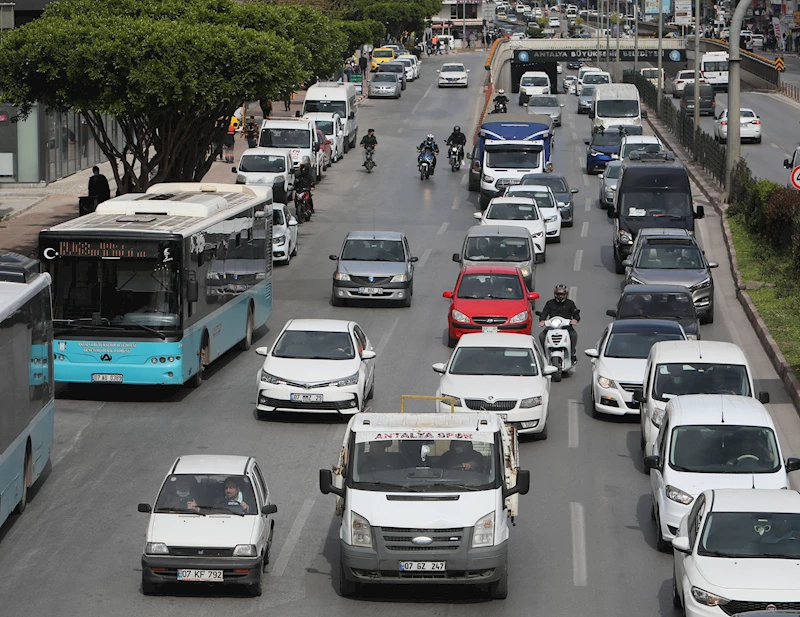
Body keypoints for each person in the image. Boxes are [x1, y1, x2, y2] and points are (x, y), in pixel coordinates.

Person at [538, 284, 581, 362]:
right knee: (542, 336)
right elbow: (544, 313)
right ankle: (546, 353)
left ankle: (571, 354)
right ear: (555, 294)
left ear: (566, 294)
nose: (560, 296)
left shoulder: (570, 303)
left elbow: (576, 314)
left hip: (566, 327)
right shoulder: (549, 303)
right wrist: (542, 320)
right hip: (552, 326)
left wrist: (575, 319)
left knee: (574, 335)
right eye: (558, 294)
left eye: (562, 294)